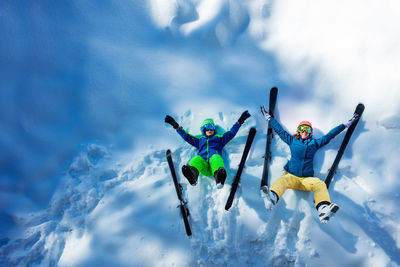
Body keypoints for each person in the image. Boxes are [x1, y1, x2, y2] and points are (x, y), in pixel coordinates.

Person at [260, 106, 359, 224]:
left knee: (320, 184)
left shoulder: (315, 144)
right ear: (298, 130)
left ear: (310, 132)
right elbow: (280, 130)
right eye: (302, 128)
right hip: (292, 177)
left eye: (307, 129)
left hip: (306, 180)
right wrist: (269, 118)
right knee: (282, 180)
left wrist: (346, 124)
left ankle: (323, 210)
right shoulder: (292, 141)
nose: (304, 131)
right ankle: (271, 198)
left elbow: (330, 135)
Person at [165, 111, 251, 188]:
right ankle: (193, 174)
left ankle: (219, 177)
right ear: (204, 130)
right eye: (207, 129)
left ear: (214, 130)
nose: (209, 130)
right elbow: (187, 137)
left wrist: (240, 121)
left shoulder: (219, 139)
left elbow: (231, 133)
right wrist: (176, 126)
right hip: (203, 167)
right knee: (197, 158)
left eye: (211, 128)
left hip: (215, 167)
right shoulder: (199, 140)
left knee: (216, 157)